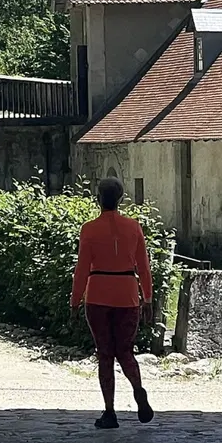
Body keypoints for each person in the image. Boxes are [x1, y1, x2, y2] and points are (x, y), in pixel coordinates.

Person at [69, 177, 154, 429]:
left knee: (105, 354)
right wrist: (147, 297)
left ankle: (109, 411)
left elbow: (82, 269)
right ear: (121, 199)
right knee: (125, 351)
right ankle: (137, 388)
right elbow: (144, 266)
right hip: (127, 293)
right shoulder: (134, 227)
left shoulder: (89, 229)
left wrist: (75, 301)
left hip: (98, 294)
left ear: (98, 198)